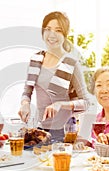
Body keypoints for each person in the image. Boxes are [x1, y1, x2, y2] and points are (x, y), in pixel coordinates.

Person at [18, 11, 91, 141]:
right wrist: (25, 104)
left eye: (58, 30)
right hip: (38, 130)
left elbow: (86, 102)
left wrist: (60, 104)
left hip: (63, 132)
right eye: (48, 29)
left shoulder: (71, 63)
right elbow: (27, 91)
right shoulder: (35, 59)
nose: (52, 35)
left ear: (65, 35)